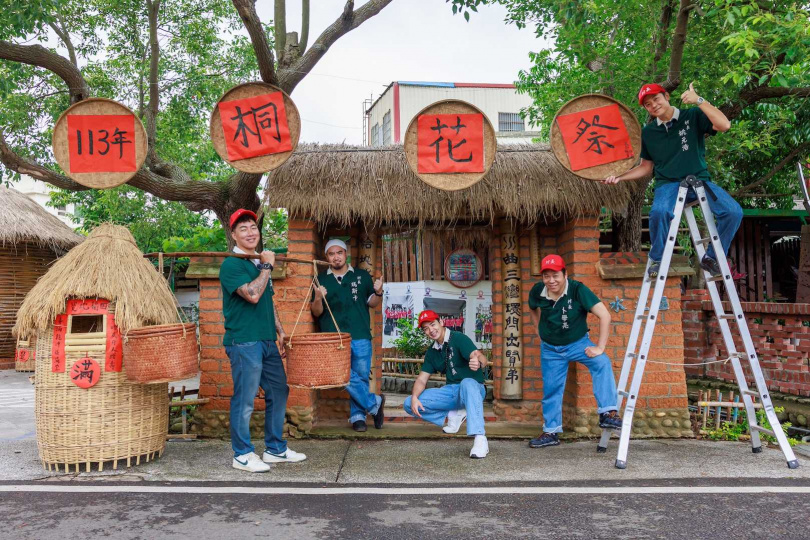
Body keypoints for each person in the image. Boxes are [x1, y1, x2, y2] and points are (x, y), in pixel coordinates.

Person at [603, 82, 742, 278]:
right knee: (659, 212)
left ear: (666, 96)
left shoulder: (692, 116)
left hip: (699, 181)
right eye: (648, 104)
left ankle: (711, 257)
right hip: (667, 184)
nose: (654, 105)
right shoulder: (649, 133)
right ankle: (658, 259)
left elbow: (724, 125)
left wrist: (699, 100)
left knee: (733, 211)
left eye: (656, 99)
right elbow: (646, 167)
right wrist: (619, 177)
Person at [220, 209, 306, 473]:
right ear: (233, 235)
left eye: (253, 227)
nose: (250, 232)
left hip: (267, 340)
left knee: (279, 390)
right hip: (244, 341)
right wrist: (268, 266)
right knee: (245, 398)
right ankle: (242, 454)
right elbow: (252, 295)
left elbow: (268, 301)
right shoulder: (231, 264)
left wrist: (279, 330)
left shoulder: (258, 265)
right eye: (243, 228)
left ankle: (275, 449)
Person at [527, 255, 622, 448]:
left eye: (555, 275)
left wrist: (600, 347)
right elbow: (532, 308)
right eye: (546, 276)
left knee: (601, 362)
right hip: (551, 349)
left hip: (578, 343)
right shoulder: (538, 290)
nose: (551, 280)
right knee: (552, 389)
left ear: (565, 274)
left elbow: (605, 315)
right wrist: (538, 330)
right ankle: (551, 432)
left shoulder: (578, 290)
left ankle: (608, 413)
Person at [311, 239, 385, 432]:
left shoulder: (361, 276)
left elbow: (372, 303)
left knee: (359, 377)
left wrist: (378, 292)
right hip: (333, 338)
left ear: (346, 254)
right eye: (331, 254)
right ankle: (374, 403)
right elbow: (316, 312)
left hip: (360, 334)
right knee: (341, 376)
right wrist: (318, 297)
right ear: (326, 257)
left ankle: (358, 417)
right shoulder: (320, 279)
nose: (336, 257)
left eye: (339, 253)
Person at [404, 310, 490, 459]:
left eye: (433, 324)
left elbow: (480, 357)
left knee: (467, 382)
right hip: (452, 391)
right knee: (409, 403)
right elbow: (421, 380)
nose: (431, 330)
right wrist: (414, 397)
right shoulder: (432, 352)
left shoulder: (459, 338)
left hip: (474, 388)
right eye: (426, 328)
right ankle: (454, 413)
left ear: (441, 322)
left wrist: (479, 361)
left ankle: (480, 439)